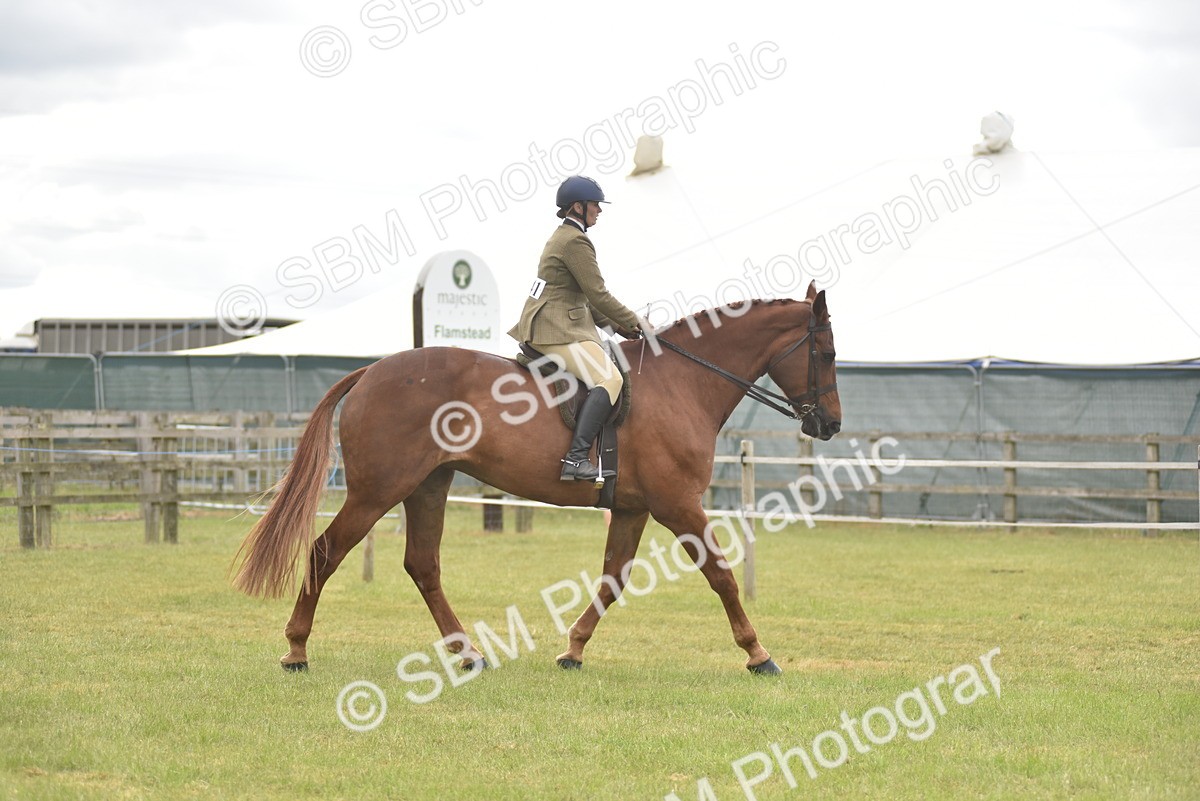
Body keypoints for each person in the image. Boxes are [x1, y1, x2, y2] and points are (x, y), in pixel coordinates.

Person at [508, 175, 644, 482]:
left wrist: (620, 326)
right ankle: (576, 458)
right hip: (554, 328)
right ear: (579, 207)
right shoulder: (575, 241)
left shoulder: (564, 237)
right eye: (595, 204)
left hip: (554, 321)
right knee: (609, 379)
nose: (599, 210)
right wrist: (635, 320)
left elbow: (583, 298)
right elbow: (598, 294)